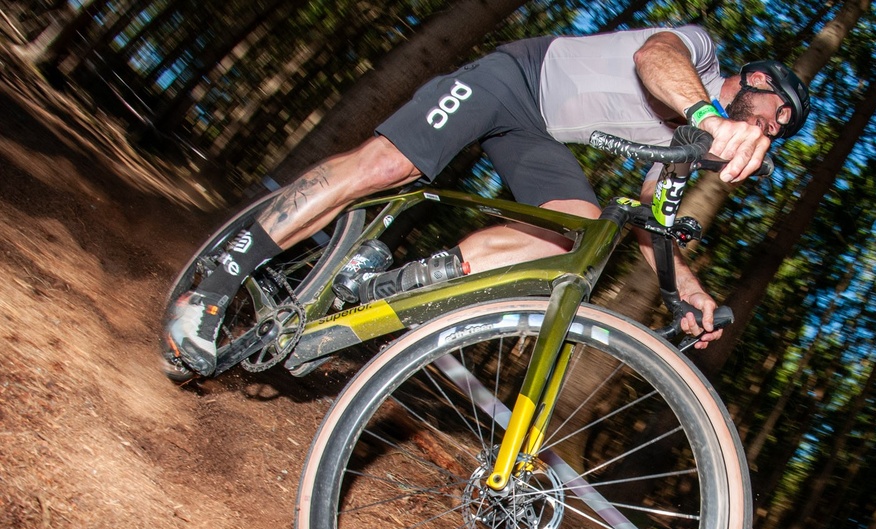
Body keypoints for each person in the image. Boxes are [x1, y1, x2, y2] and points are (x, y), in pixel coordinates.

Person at [163, 25, 809, 377]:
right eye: (778, 109)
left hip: (538, 133)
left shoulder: (690, 146)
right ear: (752, 79)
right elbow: (652, 57)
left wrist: (685, 293)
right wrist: (707, 113)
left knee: (577, 231)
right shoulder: (696, 53)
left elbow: (653, 220)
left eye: (784, 128)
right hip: (511, 80)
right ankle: (213, 287)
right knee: (391, 163)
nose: (775, 127)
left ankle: (388, 284)